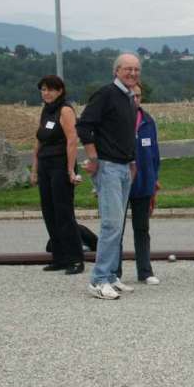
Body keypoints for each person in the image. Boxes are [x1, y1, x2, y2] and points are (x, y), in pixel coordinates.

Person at [76, 53, 140, 300]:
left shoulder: (129, 98)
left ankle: (112, 275)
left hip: (124, 167)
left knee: (118, 224)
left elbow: (124, 133)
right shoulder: (105, 94)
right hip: (109, 167)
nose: (132, 73)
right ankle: (99, 280)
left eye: (136, 70)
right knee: (111, 225)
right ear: (116, 71)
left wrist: (132, 161)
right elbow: (83, 126)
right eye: (127, 69)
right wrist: (93, 158)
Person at [30, 75, 84, 275]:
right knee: (49, 211)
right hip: (45, 165)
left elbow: (72, 140)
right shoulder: (46, 111)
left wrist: (70, 169)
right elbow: (39, 140)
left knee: (63, 213)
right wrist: (34, 169)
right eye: (43, 90)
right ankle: (59, 257)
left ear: (60, 91)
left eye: (50, 89)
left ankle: (75, 258)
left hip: (61, 166)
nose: (46, 93)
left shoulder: (65, 110)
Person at [115, 83, 161, 285]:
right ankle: (114, 271)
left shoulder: (148, 122)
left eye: (138, 96)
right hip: (120, 184)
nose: (135, 100)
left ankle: (145, 271)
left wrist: (154, 179)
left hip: (143, 184)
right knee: (116, 229)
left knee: (142, 229)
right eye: (131, 96)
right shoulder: (115, 120)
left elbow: (155, 155)